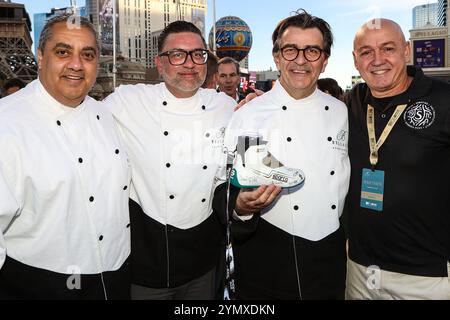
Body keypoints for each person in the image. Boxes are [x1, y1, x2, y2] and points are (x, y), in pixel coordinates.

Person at [213, 9, 349, 300]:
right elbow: (223, 186)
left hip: (330, 255)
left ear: (324, 60)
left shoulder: (341, 112)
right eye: (290, 50)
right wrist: (241, 205)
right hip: (268, 256)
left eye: (312, 50)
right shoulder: (247, 115)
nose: (300, 60)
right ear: (277, 57)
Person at [0, 15, 131, 299]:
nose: (76, 64)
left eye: (87, 55)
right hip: (39, 284)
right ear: (39, 56)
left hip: (117, 274)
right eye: (63, 52)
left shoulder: (108, 115)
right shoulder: (6, 122)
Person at [103, 20, 235, 300]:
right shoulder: (128, 101)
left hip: (203, 258)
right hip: (147, 260)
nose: (189, 63)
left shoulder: (225, 106)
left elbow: (238, 164)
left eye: (197, 54)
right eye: (177, 55)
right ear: (160, 64)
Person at [345, 18, 450, 300]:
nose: (377, 60)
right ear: (355, 61)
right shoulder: (350, 103)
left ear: (406, 51)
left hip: (426, 277)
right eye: (366, 52)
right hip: (358, 270)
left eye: (388, 48)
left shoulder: (444, 100)